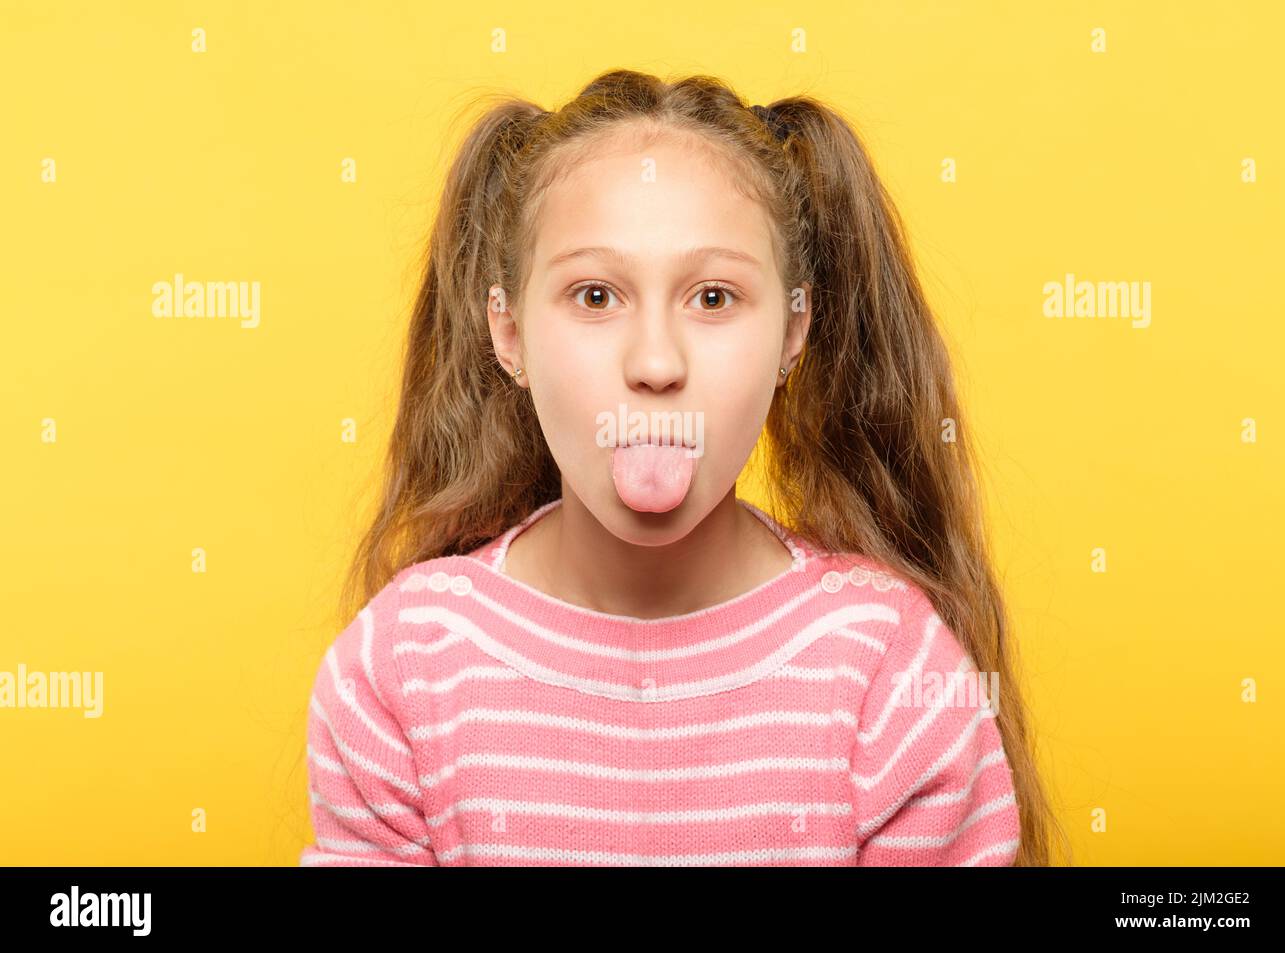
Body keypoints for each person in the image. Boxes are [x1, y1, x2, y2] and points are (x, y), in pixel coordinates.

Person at [299, 68, 1066, 866]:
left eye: (713, 298)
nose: (657, 364)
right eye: (596, 296)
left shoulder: (892, 675)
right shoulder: (398, 672)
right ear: (509, 333)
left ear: (793, 333)